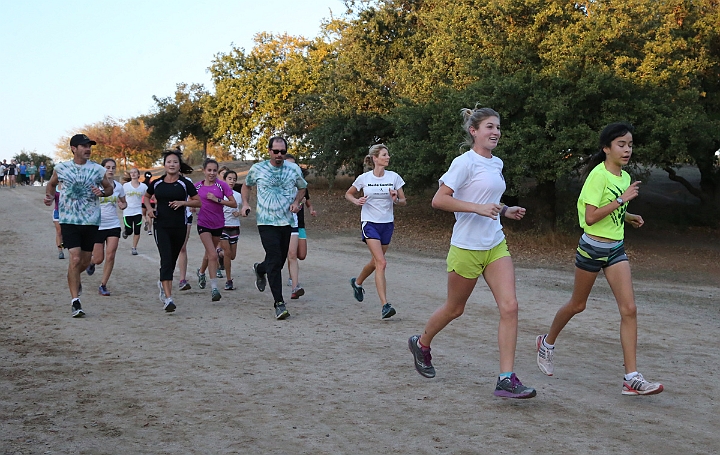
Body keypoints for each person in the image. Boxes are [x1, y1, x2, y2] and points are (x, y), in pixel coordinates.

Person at [407, 107, 536, 399]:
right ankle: (422, 343)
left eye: (498, 128)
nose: (496, 132)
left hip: (494, 244)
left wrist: (504, 209)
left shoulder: (497, 163)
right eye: (489, 127)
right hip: (466, 247)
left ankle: (506, 378)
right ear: (473, 131)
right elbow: (439, 200)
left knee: (510, 307)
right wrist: (479, 209)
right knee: (455, 308)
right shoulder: (463, 163)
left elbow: (487, 197)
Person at [536, 122, 663, 396]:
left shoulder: (625, 179)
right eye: (621, 144)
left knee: (629, 309)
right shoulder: (598, 176)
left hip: (616, 249)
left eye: (629, 144)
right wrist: (622, 202)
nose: (627, 149)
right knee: (577, 304)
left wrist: (628, 216)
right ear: (606, 148)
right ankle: (546, 342)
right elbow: (591, 217)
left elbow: (612, 210)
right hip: (592, 248)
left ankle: (631, 378)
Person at [43, 134, 113, 317]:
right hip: (68, 220)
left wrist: (102, 192)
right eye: (83, 146)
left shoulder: (98, 170)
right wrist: (49, 197)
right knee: (74, 259)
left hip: (91, 220)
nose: (88, 149)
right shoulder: (62, 168)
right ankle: (76, 302)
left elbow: (109, 188)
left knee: (84, 261)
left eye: (89, 146)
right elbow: (51, 184)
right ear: (74, 148)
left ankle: (75, 277)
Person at [241, 136, 307, 320]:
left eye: (283, 152)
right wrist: (245, 203)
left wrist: (296, 202)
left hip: (286, 221)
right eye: (276, 151)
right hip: (265, 221)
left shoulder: (293, 169)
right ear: (269, 151)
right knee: (275, 257)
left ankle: (260, 269)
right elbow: (246, 186)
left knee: (276, 261)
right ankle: (279, 303)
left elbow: (303, 188)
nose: (279, 155)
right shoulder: (258, 169)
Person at [345, 144, 406, 319]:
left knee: (375, 261)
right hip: (369, 223)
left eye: (388, 155)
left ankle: (357, 283)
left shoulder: (394, 177)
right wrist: (356, 201)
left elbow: (403, 201)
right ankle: (385, 305)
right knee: (381, 262)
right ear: (375, 158)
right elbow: (348, 193)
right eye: (384, 155)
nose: (388, 157)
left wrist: (395, 199)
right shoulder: (364, 178)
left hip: (387, 224)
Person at [145, 150, 200, 312]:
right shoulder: (157, 183)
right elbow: (147, 197)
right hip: (161, 226)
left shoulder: (185, 183)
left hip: (179, 227)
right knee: (166, 259)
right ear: (164, 165)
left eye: (175, 162)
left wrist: (183, 203)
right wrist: (149, 209)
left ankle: (163, 282)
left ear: (179, 165)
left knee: (173, 259)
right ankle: (168, 299)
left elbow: (198, 202)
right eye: (169, 162)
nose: (172, 164)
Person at [194, 159, 236, 301]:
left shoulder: (222, 185)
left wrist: (217, 200)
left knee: (208, 254)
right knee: (213, 254)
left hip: (218, 224)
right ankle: (214, 289)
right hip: (203, 224)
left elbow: (233, 203)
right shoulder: (198, 187)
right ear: (204, 171)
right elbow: (191, 199)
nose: (211, 173)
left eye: (214, 170)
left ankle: (201, 272)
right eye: (209, 170)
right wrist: (191, 206)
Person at [85, 159, 127, 296]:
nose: (111, 170)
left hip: (113, 224)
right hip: (97, 225)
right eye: (108, 167)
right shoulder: (95, 185)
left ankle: (103, 285)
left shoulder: (119, 187)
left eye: (113, 167)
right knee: (98, 259)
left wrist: (123, 205)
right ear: (102, 169)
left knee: (111, 255)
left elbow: (123, 202)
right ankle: (91, 262)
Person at [284, 154, 317, 300]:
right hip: (282, 224)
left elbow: (307, 200)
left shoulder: (302, 186)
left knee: (301, 255)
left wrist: (310, 209)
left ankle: (293, 274)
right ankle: (294, 284)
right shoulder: (280, 185)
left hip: (299, 223)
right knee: (291, 254)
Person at [218, 170, 242, 291]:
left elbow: (244, 211)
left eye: (234, 179)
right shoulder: (219, 194)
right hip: (222, 227)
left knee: (232, 256)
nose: (232, 181)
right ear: (224, 179)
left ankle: (219, 254)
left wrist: (239, 213)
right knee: (227, 253)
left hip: (235, 227)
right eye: (230, 178)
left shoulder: (238, 195)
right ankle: (228, 280)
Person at [121, 167, 148, 255]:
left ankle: (134, 248)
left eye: (135, 172)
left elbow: (148, 196)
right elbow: (120, 196)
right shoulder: (125, 186)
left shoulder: (143, 186)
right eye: (131, 172)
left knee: (137, 230)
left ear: (138, 175)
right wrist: (120, 203)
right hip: (127, 211)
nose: (133, 174)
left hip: (138, 211)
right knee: (129, 231)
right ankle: (126, 232)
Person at [52, 185, 64, 259]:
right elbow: (50, 197)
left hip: (69, 213)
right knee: (59, 232)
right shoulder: (55, 187)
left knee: (66, 233)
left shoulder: (69, 185)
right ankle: (60, 251)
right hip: (57, 212)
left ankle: (63, 245)